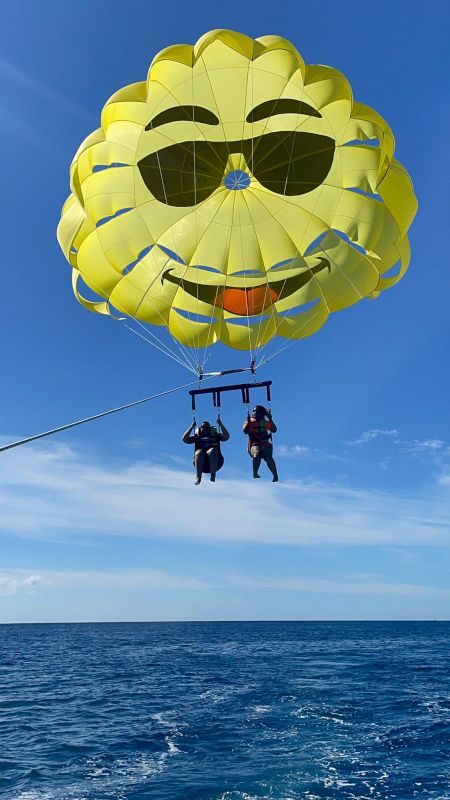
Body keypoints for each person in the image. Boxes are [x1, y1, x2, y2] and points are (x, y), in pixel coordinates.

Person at [182, 417, 230, 485]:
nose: (205, 429)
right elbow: (184, 439)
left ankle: (213, 475)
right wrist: (191, 427)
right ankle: (198, 477)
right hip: (201, 461)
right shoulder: (197, 436)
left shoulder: (214, 434)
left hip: (215, 460)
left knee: (212, 450)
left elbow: (226, 437)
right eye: (203, 427)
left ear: (209, 428)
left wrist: (220, 424)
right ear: (200, 428)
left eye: (207, 427)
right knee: (199, 452)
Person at [243, 405, 278, 482]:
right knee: (257, 454)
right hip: (254, 444)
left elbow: (274, 430)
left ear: (262, 413)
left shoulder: (264, 422)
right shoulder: (250, 421)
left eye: (257, 411)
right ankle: (255, 472)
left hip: (265, 443)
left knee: (268, 458)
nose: (255, 413)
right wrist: (248, 421)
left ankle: (275, 475)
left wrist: (270, 419)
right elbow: (245, 431)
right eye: (254, 411)